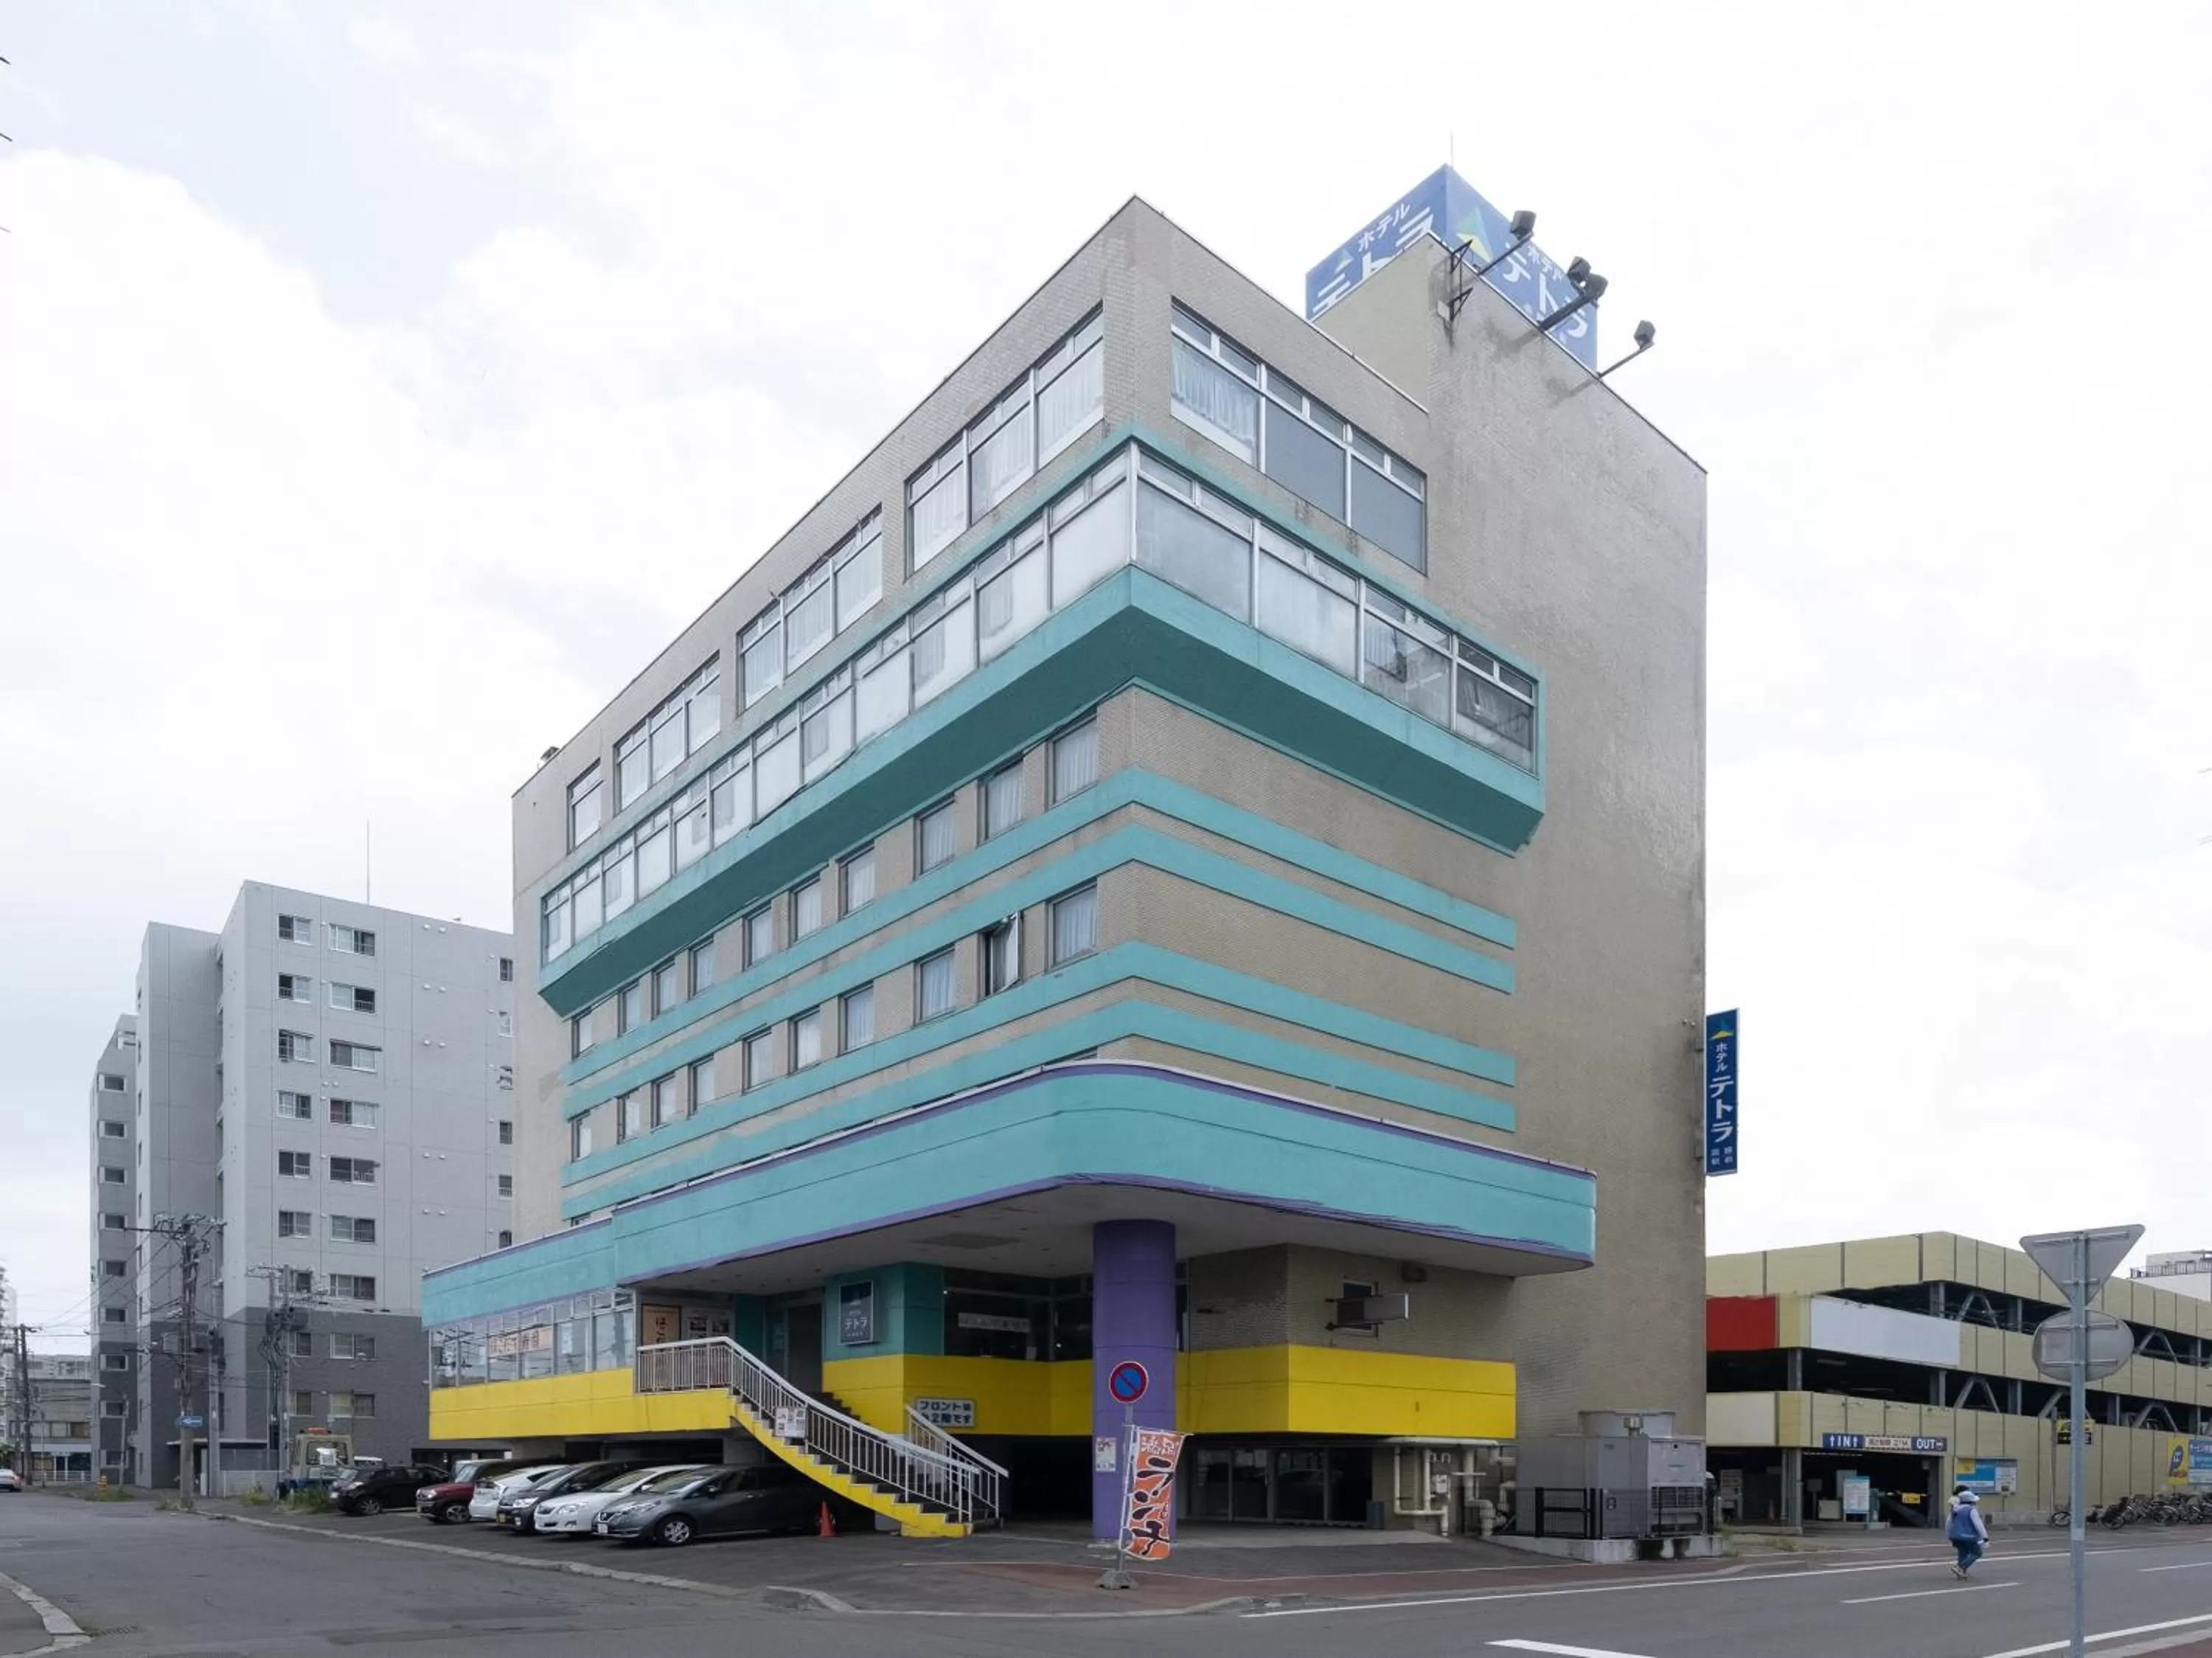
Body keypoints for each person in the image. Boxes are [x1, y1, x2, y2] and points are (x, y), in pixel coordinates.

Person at [1947, 1485, 1989, 1578]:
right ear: (1971, 1501)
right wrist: (1985, 1537)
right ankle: (1960, 1568)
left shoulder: (1955, 1510)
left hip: (1956, 1536)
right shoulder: (1971, 1510)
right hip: (1969, 1537)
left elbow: (1949, 1523)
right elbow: (1978, 1525)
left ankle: (1962, 1573)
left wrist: (1949, 1535)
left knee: (1963, 1553)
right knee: (1977, 1553)